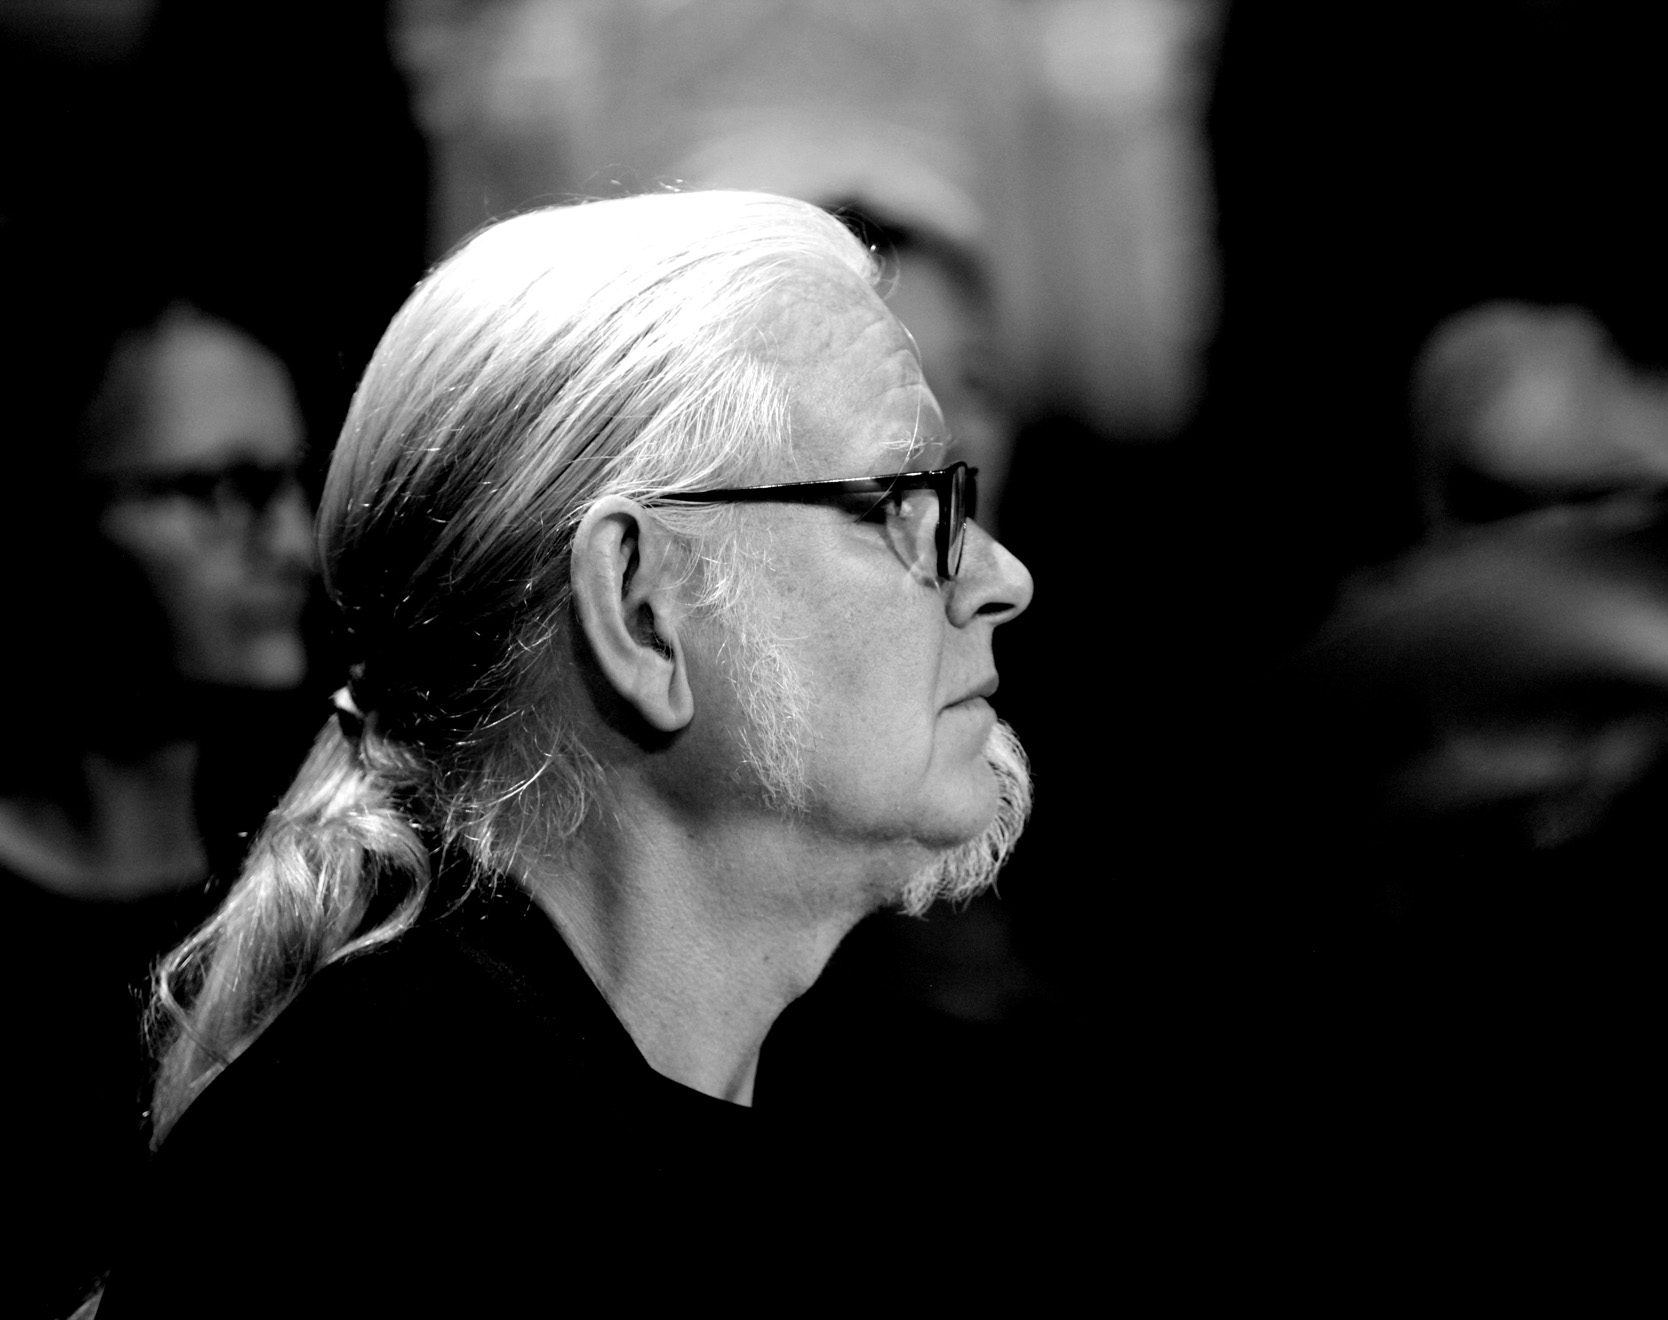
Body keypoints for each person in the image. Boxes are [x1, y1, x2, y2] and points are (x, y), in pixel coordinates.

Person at [94, 190, 1035, 1315]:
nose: (1001, 577)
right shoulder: (388, 1207)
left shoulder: (559, 1127)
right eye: (902, 502)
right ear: (640, 611)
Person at [0, 240, 317, 1319]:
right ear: (59, 514)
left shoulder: (320, 888)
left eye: (295, 482)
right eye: (228, 490)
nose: (294, 543)